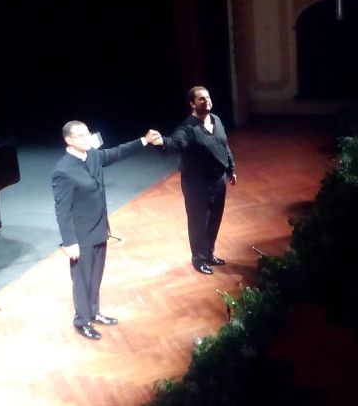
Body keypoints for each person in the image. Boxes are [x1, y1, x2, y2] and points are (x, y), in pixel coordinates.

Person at [51, 120, 162, 340]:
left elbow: (117, 153)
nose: (87, 138)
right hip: (81, 235)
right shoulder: (63, 170)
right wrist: (69, 242)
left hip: (100, 228)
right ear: (68, 140)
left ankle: (94, 312)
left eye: (88, 133)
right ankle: (82, 321)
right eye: (81, 136)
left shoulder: (92, 155)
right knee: (82, 280)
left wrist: (145, 140)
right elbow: (62, 210)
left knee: (95, 276)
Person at [159, 86, 236, 275]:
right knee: (198, 222)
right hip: (197, 184)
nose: (206, 100)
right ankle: (198, 259)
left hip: (218, 180)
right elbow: (175, 144)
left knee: (215, 219)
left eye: (208, 97)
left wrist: (231, 169)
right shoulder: (188, 128)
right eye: (201, 98)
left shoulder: (216, 120)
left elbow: (224, 146)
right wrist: (162, 142)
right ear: (192, 104)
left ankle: (209, 253)